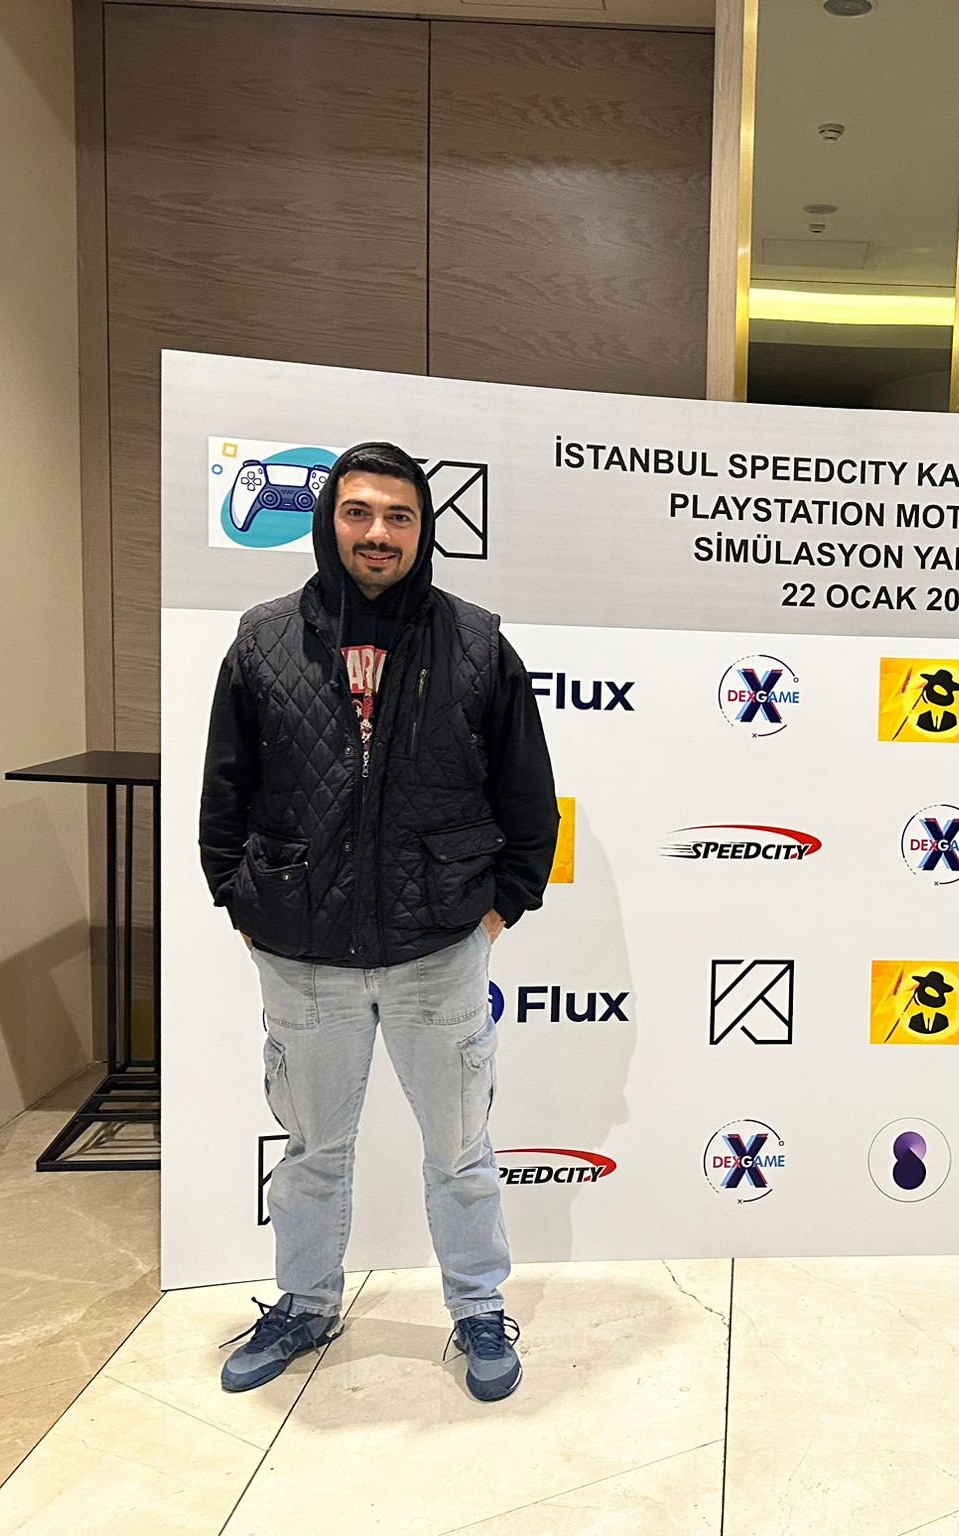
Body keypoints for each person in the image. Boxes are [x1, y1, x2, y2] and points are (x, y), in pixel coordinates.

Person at [198, 441, 558, 1402]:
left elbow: (528, 796)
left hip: (438, 947)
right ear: (330, 522)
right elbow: (225, 787)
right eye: (358, 512)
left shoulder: (476, 643)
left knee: (461, 1153)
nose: (378, 533)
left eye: (399, 517)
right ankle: (305, 1304)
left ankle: (478, 1308)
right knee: (313, 1153)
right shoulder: (264, 640)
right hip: (302, 953)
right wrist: (242, 899)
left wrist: (497, 910)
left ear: (423, 531)